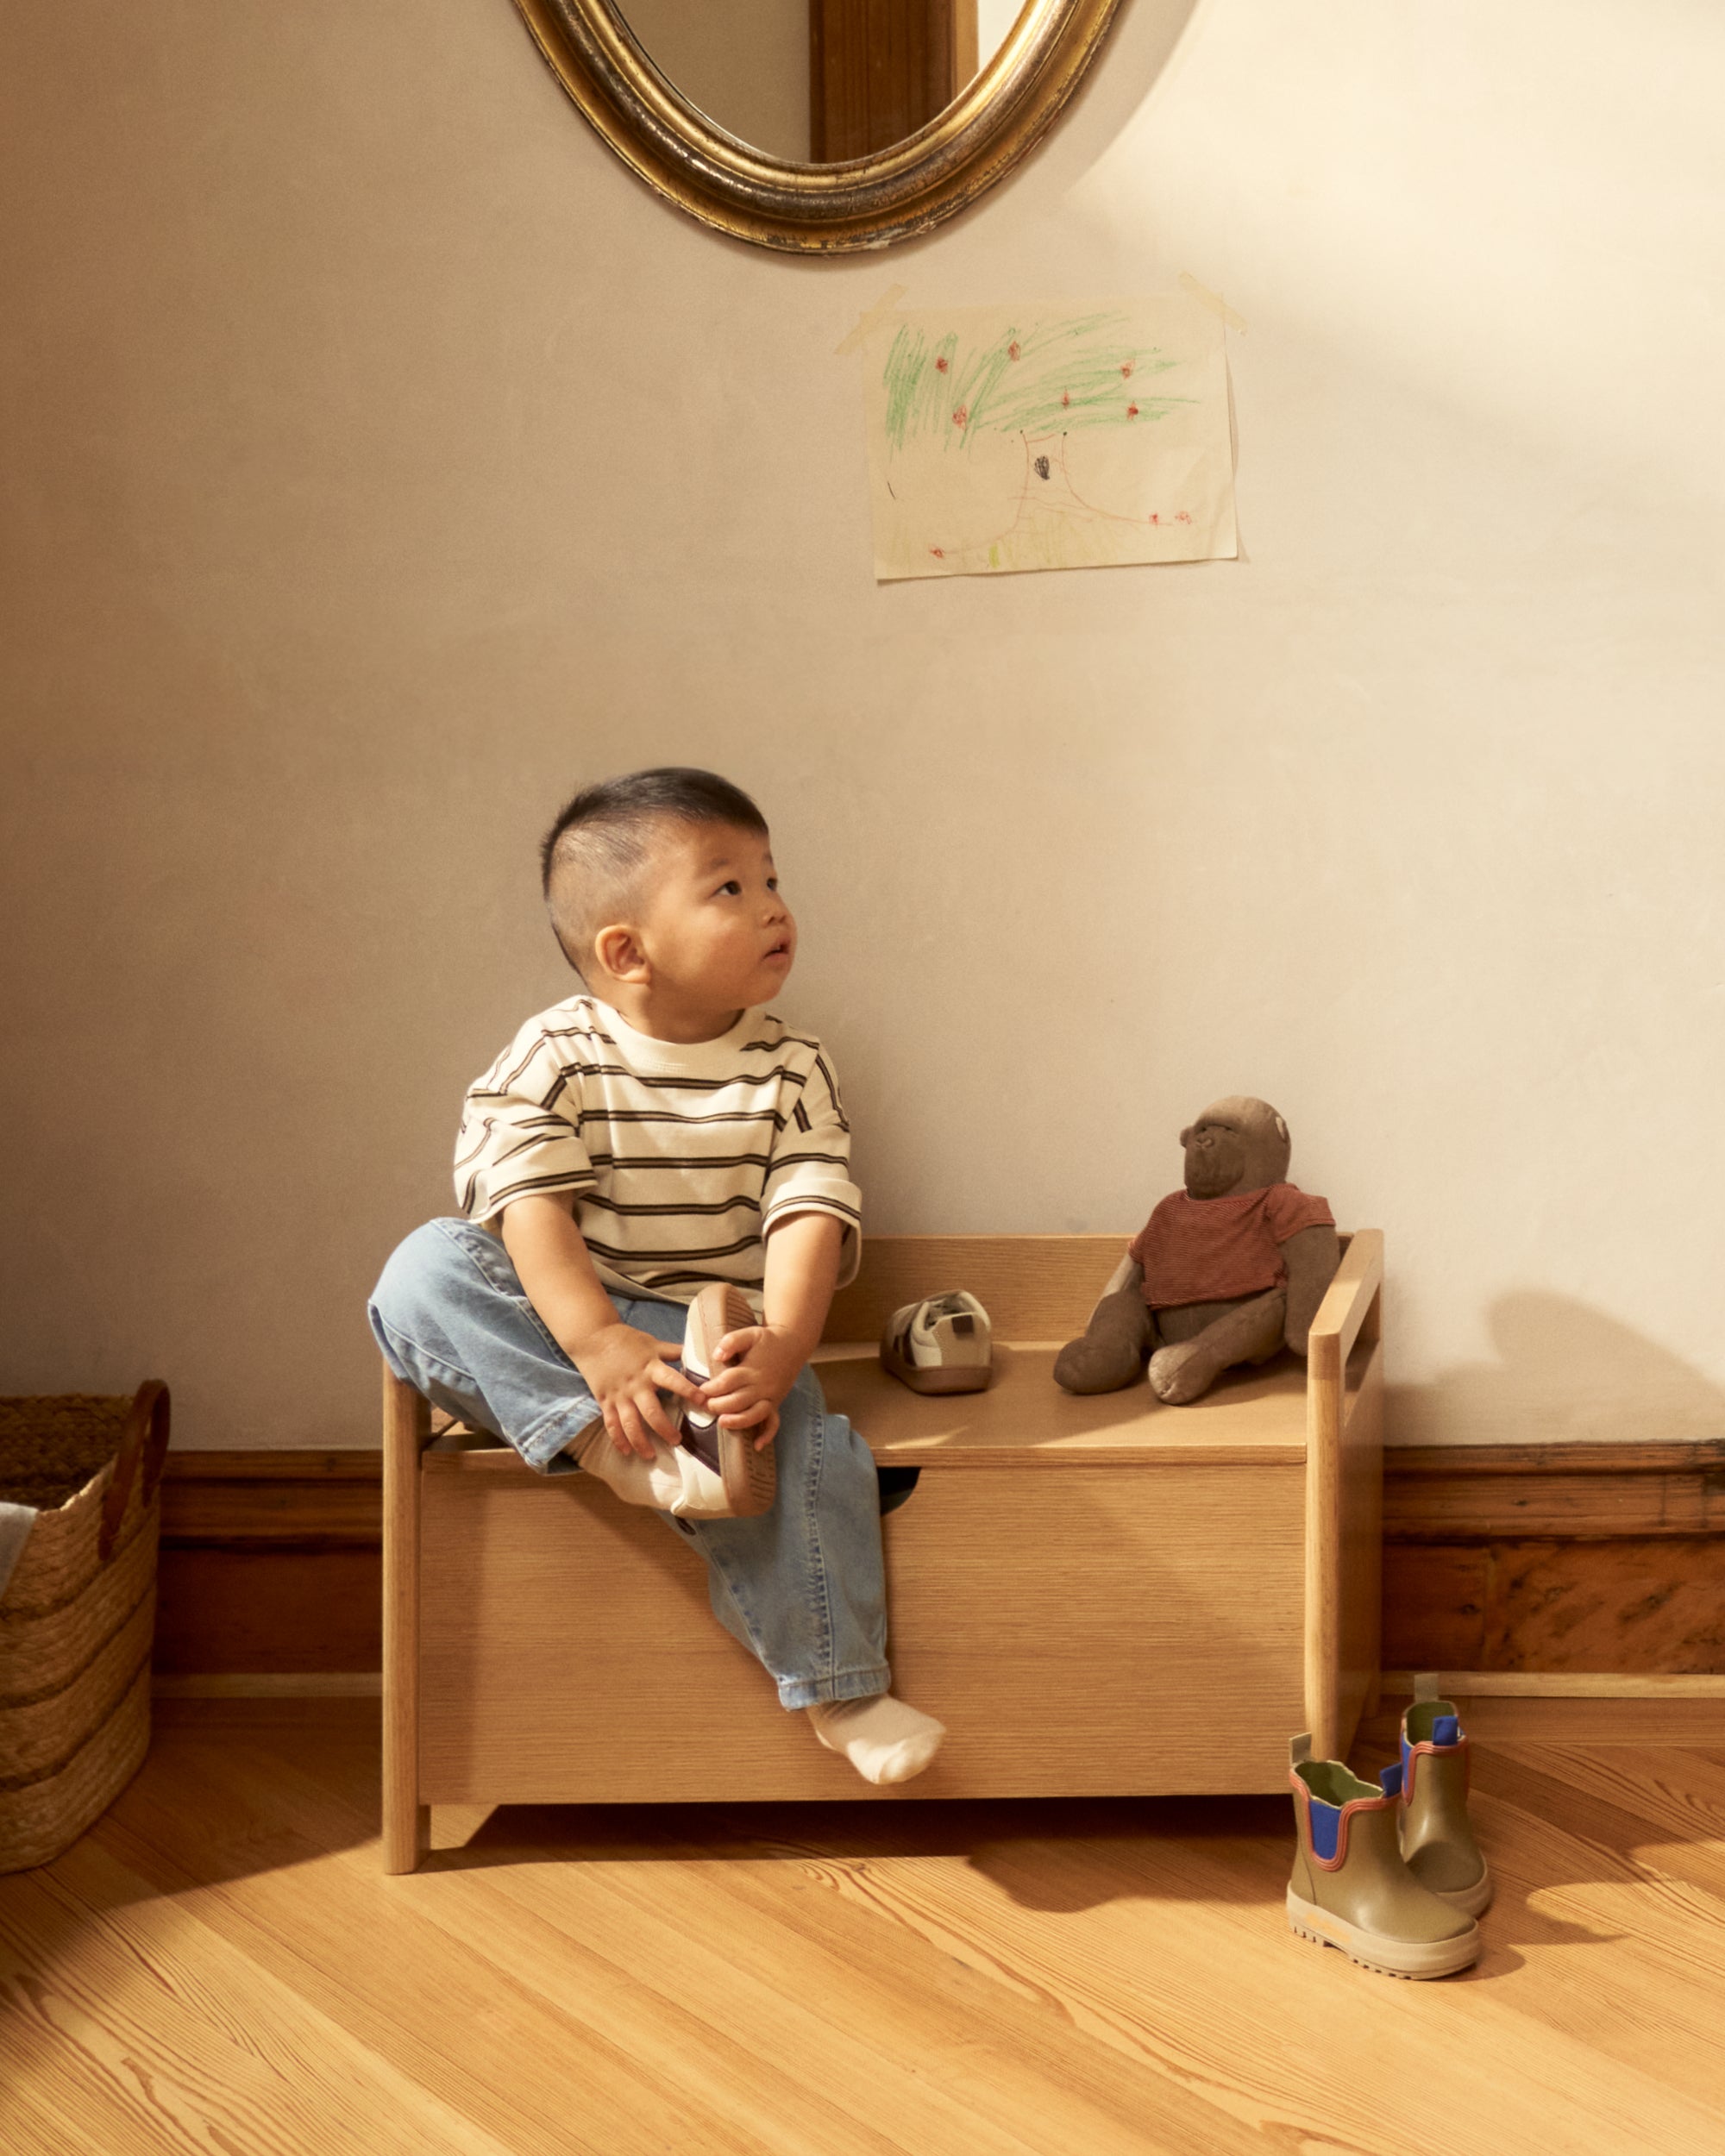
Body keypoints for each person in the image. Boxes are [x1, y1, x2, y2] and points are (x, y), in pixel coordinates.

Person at [367, 767, 944, 1785]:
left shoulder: (793, 1065)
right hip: (570, 1325)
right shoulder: (551, 1053)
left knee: (804, 1443)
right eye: (728, 888)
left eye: (771, 877)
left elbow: (806, 1213)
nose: (773, 906)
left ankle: (841, 1684)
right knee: (422, 1269)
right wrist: (596, 1346)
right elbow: (525, 1208)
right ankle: (609, 1442)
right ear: (626, 951)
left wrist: (784, 1349)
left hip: (715, 1338)